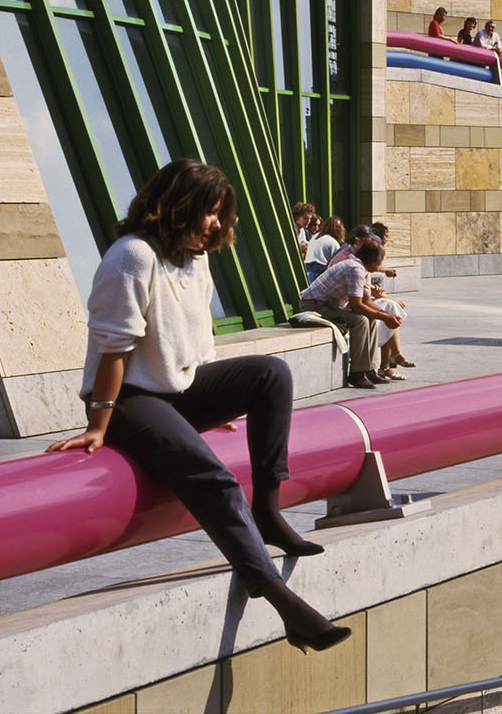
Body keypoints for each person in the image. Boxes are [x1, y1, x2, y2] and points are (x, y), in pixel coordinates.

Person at [49, 159, 349, 652]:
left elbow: (195, 340)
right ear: (176, 206)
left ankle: (268, 511)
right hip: (129, 400)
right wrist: (99, 424)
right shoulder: (132, 256)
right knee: (214, 479)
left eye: (220, 213)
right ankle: (283, 603)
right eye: (208, 212)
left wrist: (217, 403)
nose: (216, 224)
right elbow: (112, 348)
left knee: (271, 373)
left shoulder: (196, 258)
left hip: (178, 392)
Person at [298, 235, 402, 390]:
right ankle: (357, 373)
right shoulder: (355, 269)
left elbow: (367, 301)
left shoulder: (364, 269)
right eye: (380, 260)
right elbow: (357, 306)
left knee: (371, 319)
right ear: (372, 261)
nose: (381, 265)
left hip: (330, 306)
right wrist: (386, 317)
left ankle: (369, 369)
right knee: (360, 320)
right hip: (314, 306)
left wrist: (387, 315)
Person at [302, 216, 345, 283]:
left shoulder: (316, 236)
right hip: (320, 269)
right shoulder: (333, 242)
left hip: (307, 268)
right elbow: (337, 263)